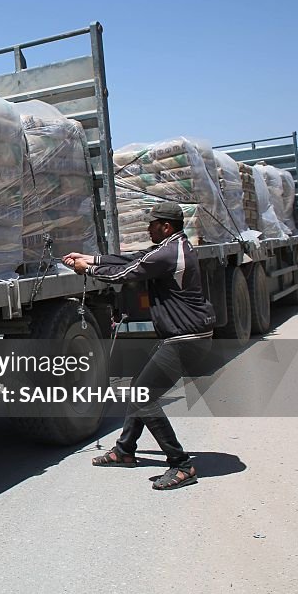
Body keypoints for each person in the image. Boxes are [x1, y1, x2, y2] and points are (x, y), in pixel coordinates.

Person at [63, 201, 216, 490]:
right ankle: (125, 450)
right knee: (140, 387)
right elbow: (131, 260)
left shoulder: (169, 253)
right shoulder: (173, 246)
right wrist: (90, 258)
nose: (148, 228)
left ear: (166, 227)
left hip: (186, 339)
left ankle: (182, 464)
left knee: (142, 395)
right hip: (186, 336)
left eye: (152, 224)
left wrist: (87, 270)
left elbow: (126, 274)